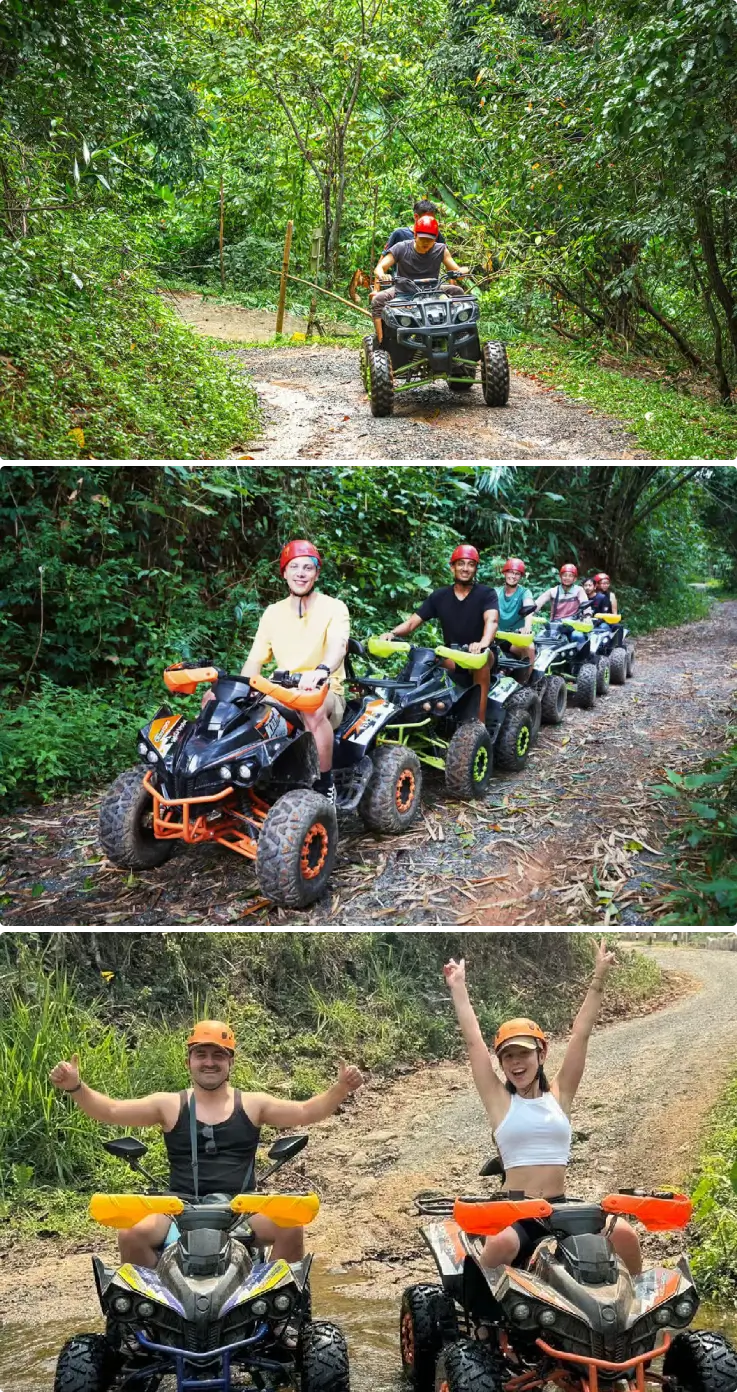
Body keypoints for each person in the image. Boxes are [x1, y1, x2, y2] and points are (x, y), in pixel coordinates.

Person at [49, 1020, 364, 1270]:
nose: (209, 1062)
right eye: (201, 1054)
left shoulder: (254, 1104)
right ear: (189, 1060)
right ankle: (148, 1317)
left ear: (230, 1062)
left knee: (290, 1227)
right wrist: (76, 1087)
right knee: (131, 1233)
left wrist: (340, 1088)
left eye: (218, 1055)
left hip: (241, 1210)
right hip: (178, 1210)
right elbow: (112, 1111)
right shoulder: (168, 1105)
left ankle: (282, 1316)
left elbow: (306, 1111)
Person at [443, 942, 642, 1277]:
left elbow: (581, 1035)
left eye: (523, 1054)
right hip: (516, 1208)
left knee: (625, 1235)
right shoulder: (499, 1101)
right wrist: (458, 988)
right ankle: (480, 1320)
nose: (516, 1062)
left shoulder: (559, 1095)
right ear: (502, 1063)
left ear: (542, 1055)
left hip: (561, 1208)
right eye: (508, 1056)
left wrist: (599, 978)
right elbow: (474, 1043)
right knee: (500, 1246)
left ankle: (634, 1312)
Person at [242, 541, 349, 804]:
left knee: (312, 708)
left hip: (324, 691)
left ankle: (325, 783)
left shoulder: (335, 608)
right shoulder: (272, 613)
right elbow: (254, 660)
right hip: (281, 691)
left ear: (316, 574)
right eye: (294, 567)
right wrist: (238, 688)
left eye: (307, 567)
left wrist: (322, 670)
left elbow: (339, 645)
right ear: (284, 573)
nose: (301, 573)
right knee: (219, 702)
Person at [379, 544, 498, 722]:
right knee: (424, 661)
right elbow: (412, 622)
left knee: (479, 664)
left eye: (470, 564)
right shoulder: (439, 596)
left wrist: (483, 643)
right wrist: (392, 633)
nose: (465, 568)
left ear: (475, 568)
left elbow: (492, 620)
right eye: (461, 564)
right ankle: (407, 711)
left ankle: (478, 724)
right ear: (452, 567)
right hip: (452, 655)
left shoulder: (486, 594)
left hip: (481, 654)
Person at [371, 216, 470, 344]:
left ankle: (460, 339)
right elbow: (380, 267)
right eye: (422, 238)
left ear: (435, 239)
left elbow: (456, 270)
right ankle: (381, 342)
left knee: (457, 291)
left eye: (430, 240)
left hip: (434, 292)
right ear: (415, 235)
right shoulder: (401, 248)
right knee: (378, 300)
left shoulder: (441, 249)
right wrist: (383, 275)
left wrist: (462, 271)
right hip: (405, 292)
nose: (426, 243)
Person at [496, 558, 535, 684]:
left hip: (515, 637)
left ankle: (527, 683)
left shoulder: (524, 592)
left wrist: (527, 627)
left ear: (521, 576)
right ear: (504, 573)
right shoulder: (496, 592)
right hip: (496, 635)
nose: (513, 576)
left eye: (517, 573)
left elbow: (529, 608)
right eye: (511, 572)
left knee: (529, 647)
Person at [382, 199, 446, 254]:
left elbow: (445, 255)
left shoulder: (435, 234)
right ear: (416, 217)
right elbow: (384, 259)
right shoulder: (399, 234)